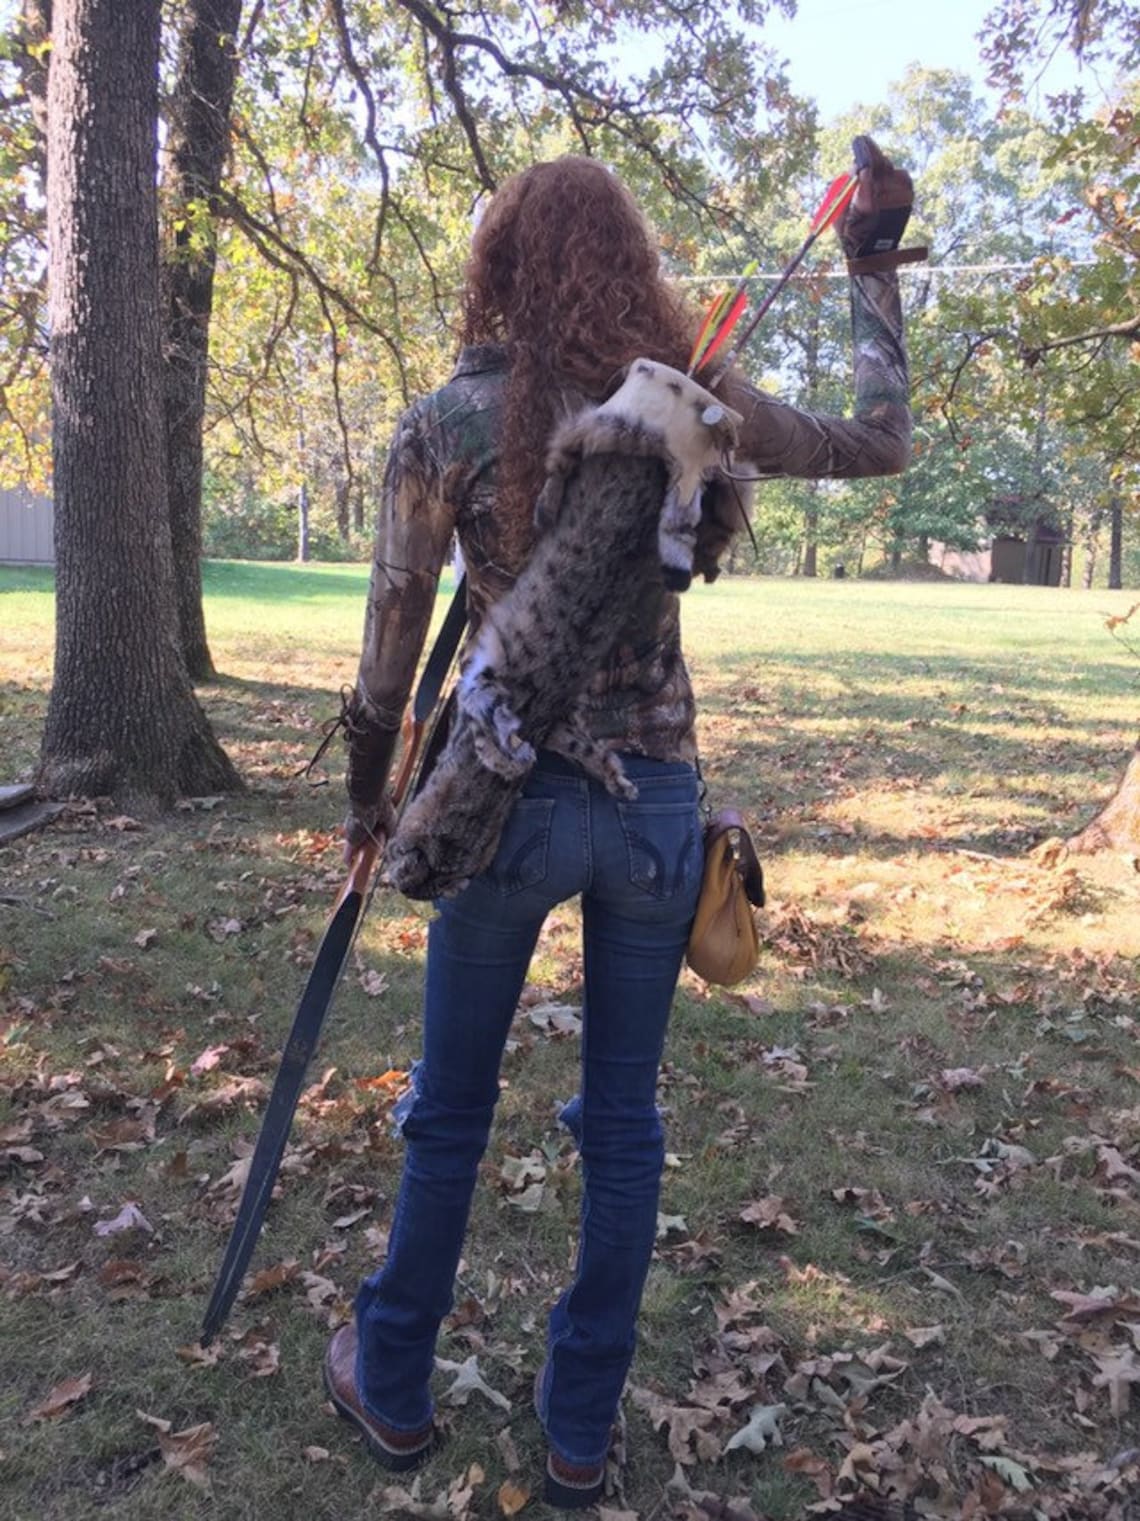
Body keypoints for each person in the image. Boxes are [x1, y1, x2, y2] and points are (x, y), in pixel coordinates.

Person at [323, 148, 914, 1508]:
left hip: (500, 796)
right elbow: (878, 441)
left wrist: (369, 806)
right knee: (626, 1126)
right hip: (652, 808)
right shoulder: (684, 405)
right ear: (628, 264)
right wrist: (871, 269)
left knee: (450, 1112)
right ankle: (579, 1431)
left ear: (498, 269)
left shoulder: (442, 426)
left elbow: (381, 660)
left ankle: (394, 1381)